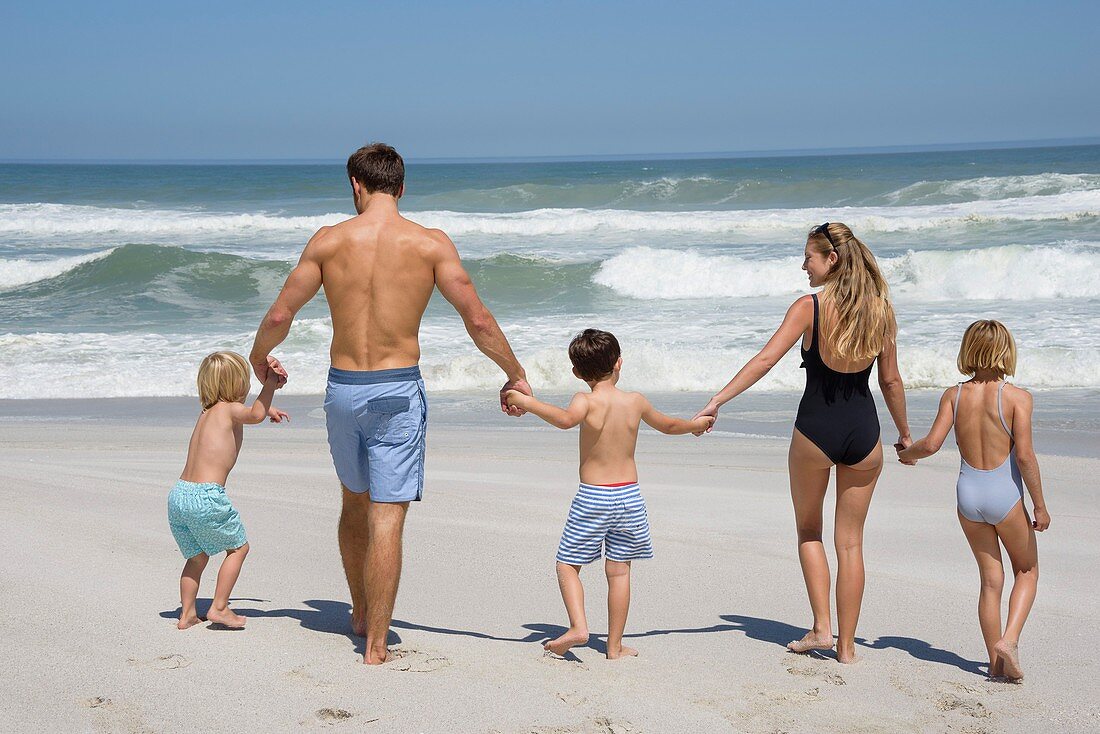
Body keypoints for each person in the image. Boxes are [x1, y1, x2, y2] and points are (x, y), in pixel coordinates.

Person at [249, 143, 531, 664]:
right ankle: (377, 643)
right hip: (397, 391)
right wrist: (514, 373)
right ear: (402, 187)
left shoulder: (329, 242)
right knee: (388, 516)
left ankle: (359, 611)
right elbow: (479, 320)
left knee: (354, 500)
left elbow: (279, 316)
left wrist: (258, 359)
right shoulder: (429, 244)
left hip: (343, 389)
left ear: (355, 185)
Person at [692, 222, 910, 664]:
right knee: (850, 543)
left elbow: (766, 359)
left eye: (809, 256)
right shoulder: (881, 309)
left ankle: (821, 629)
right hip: (866, 435)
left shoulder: (809, 307)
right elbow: (889, 379)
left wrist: (718, 400)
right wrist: (904, 434)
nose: (803, 264)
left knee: (809, 531)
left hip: (815, 432)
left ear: (831, 260)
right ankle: (847, 649)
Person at [505, 329, 713, 659]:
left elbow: (564, 421)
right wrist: (695, 425)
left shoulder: (584, 400)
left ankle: (578, 627)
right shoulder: (635, 401)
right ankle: (614, 647)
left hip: (593, 497)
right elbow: (669, 425)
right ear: (619, 363)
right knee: (619, 572)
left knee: (567, 565)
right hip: (630, 497)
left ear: (576, 373)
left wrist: (526, 402)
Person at [897, 320, 1048, 682]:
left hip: (968, 494)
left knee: (990, 580)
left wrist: (908, 454)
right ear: (1005, 350)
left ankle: (996, 668)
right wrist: (1040, 506)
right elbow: (1024, 456)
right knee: (1026, 571)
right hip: (1004, 494)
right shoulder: (1018, 397)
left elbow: (931, 444)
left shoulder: (955, 394)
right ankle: (1008, 641)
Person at [169, 351, 289, 630]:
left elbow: (251, 414)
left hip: (179, 495)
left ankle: (187, 614)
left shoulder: (208, 413)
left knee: (197, 557)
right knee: (238, 548)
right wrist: (269, 384)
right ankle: (220, 607)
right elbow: (253, 414)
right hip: (206, 496)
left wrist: (267, 408)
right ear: (237, 385)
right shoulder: (230, 410)